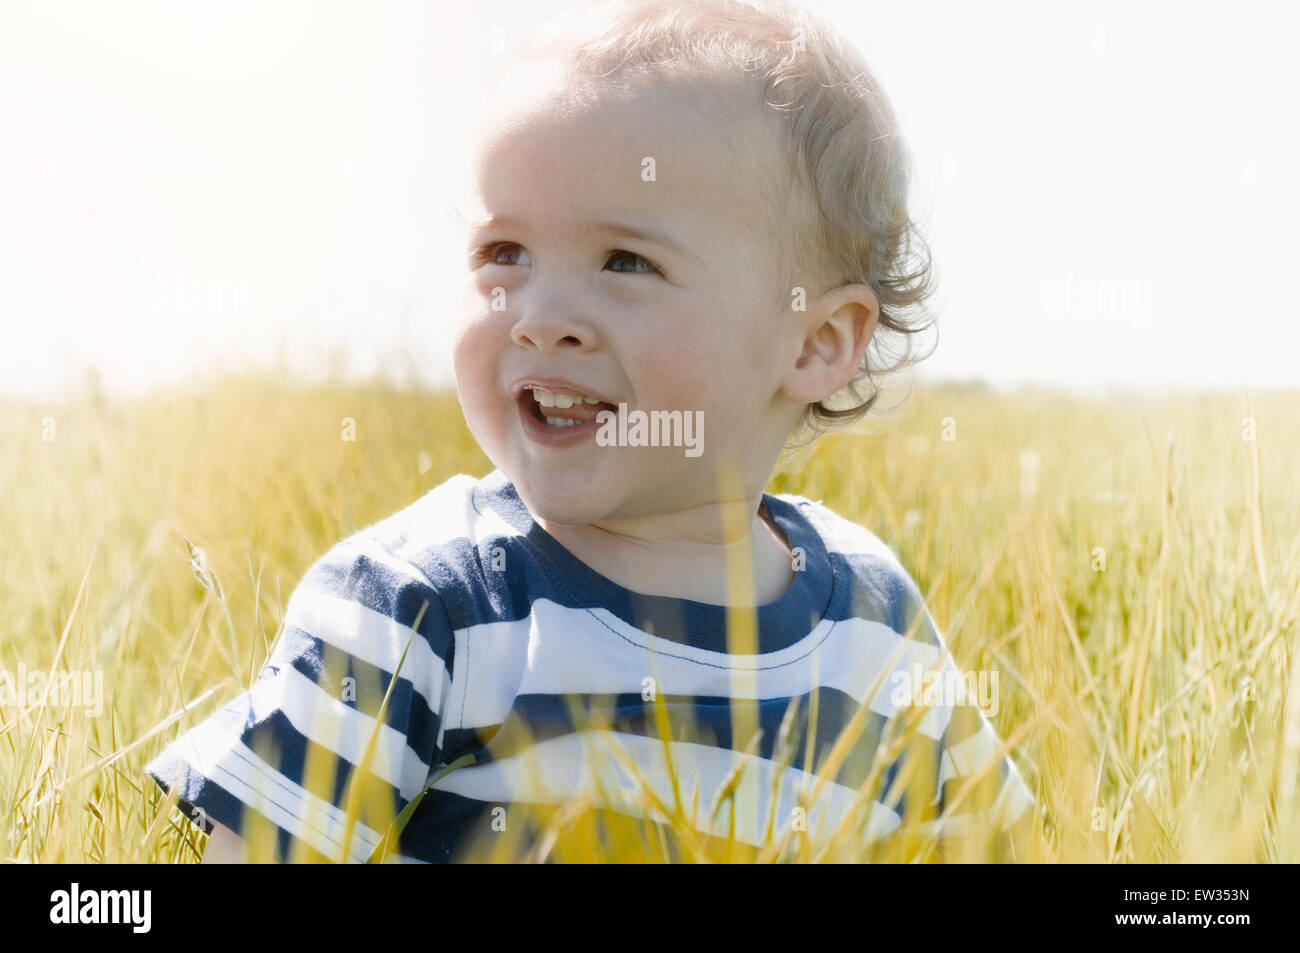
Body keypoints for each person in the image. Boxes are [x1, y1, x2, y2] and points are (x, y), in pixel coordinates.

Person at [147, 0, 1034, 863]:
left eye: (625, 262)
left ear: (815, 339)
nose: (542, 317)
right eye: (505, 254)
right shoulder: (421, 604)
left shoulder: (878, 622)